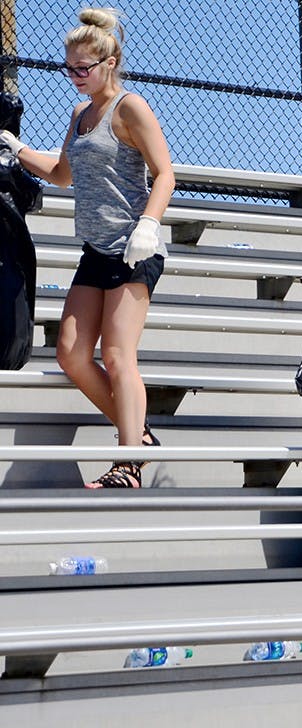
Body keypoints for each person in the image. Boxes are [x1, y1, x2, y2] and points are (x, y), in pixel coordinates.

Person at [1, 7, 173, 488]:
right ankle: (137, 435)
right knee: (72, 354)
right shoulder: (80, 113)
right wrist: (17, 149)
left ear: (110, 62)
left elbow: (166, 173)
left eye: (84, 68)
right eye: (69, 67)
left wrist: (148, 224)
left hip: (134, 248)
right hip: (96, 250)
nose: (75, 76)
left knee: (119, 356)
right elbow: (63, 174)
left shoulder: (130, 108)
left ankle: (129, 462)